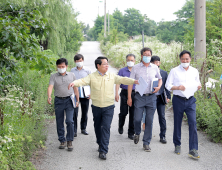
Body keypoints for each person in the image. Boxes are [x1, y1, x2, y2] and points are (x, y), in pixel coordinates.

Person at [68, 56, 139, 160]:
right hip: (96, 106)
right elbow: (83, 81)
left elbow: (122, 79)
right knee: (97, 127)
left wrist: (134, 81)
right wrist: (74, 83)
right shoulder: (92, 76)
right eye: (104, 64)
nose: (107, 66)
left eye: (107, 64)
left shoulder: (111, 75)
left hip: (109, 106)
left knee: (106, 127)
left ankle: (103, 150)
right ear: (98, 65)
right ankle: (100, 142)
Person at [165, 50, 201, 159]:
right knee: (177, 122)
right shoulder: (174, 71)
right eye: (183, 59)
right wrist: (177, 87)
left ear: (190, 59)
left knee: (193, 122)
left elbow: (197, 83)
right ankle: (177, 144)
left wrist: (199, 86)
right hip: (178, 99)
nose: (185, 61)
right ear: (180, 59)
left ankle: (193, 149)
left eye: (187, 59)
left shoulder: (194, 71)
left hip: (190, 100)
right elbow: (168, 85)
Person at [128, 47, 162, 152]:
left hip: (151, 97)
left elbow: (160, 79)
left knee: (149, 120)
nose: (147, 56)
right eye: (145, 54)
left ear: (151, 56)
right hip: (139, 96)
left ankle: (146, 143)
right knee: (137, 119)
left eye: (149, 54)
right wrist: (129, 97)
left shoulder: (155, 67)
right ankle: (137, 132)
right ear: (141, 56)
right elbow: (130, 82)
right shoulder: (136, 68)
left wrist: (159, 87)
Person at [47, 58, 79, 151]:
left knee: (69, 121)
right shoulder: (53, 76)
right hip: (58, 101)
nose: (61, 68)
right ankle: (62, 140)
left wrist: (77, 100)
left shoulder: (72, 75)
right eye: (59, 67)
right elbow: (50, 87)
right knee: (59, 121)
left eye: (63, 66)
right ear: (56, 67)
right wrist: (49, 96)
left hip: (69, 100)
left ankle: (69, 141)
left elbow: (75, 88)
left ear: (67, 66)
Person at [141, 56, 171, 144]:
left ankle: (163, 136)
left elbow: (166, 85)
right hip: (150, 98)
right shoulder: (147, 73)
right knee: (149, 117)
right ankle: (146, 136)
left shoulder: (164, 73)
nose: (156, 64)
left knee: (162, 117)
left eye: (157, 62)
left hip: (160, 98)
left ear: (159, 63)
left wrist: (168, 96)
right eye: (154, 62)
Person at [115, 54, 136, 140]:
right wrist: (116, 93)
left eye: (132, 60)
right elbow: (117, 82)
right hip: (124, 93)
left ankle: (131, 132)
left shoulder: (136, 71)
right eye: (128, 60)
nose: (130, 62)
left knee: (133, 114)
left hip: (135, 94)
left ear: (135, 61)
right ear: (126, 61)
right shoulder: (122, 71)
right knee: (123, 112)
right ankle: (121, 125)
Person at [71, 54, 91, 137]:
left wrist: (91, 93)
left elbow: (91, 82)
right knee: (74, 113)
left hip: (85, 93)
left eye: (81, 60)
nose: (79, 62)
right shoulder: (72, 70)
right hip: (75, 94)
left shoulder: (87, 70)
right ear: (75, 62)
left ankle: (83, 128)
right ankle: (74, 130)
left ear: (83, 60)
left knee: (84, 112)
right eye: (77, 61)